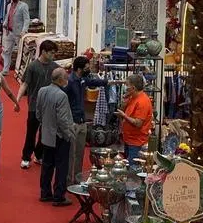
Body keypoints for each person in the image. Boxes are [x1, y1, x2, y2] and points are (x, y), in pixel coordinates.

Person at [37, 66, 77, 207]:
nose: (67, 80)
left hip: (46, 133)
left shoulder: (42, 91)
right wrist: (69, 134)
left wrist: (45, 125)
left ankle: (45, 193)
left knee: (47, 165)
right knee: (61, 166)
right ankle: (59, 196)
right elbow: (63, 119)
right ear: (60, 80)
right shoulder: (61, 96)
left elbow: (38, 112)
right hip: (59, 135)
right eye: (65, 78)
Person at [64, 56, 106, 184]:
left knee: (80, 153)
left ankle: (77, 179)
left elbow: (94, 82)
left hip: (82, 122)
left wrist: (109, 81)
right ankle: (68, 180)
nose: (89, 70)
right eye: (87, 67)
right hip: (72, 122)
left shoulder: (83, 79)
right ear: (79, 69)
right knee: (70, 154)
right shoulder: (70, 82)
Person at [17, 39, 58, 168]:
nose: (53, 55)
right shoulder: (32, 66)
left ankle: (39, 155)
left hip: (50, 105)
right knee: (31, 132)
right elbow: (25, 84)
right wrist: (17, 100)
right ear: (44, 52)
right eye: (51, 52)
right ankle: (26, 157)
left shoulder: (55, 67)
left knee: (45, 132)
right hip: (34, 105)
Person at [116, 73, 153, 163]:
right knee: (127, 165)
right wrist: (124, 103)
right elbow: (121, 112)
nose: (125, 88)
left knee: (133, 168)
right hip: (128, 139)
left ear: (133, 88)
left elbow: (138, 123)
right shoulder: (132, 97)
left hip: (136, 142)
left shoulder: (143, 101)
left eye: (127, 85)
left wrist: (124, 116)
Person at [1, 0, 31, 72]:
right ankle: (5, 69)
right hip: (9, 32)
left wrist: (24, 31)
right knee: (6, 51)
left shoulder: (23, 6)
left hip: (19, 33)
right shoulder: (8, 5)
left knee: (21, 52)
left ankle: (21, 70)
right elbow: (8, 16)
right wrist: (5, 23)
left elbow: (27, 19)